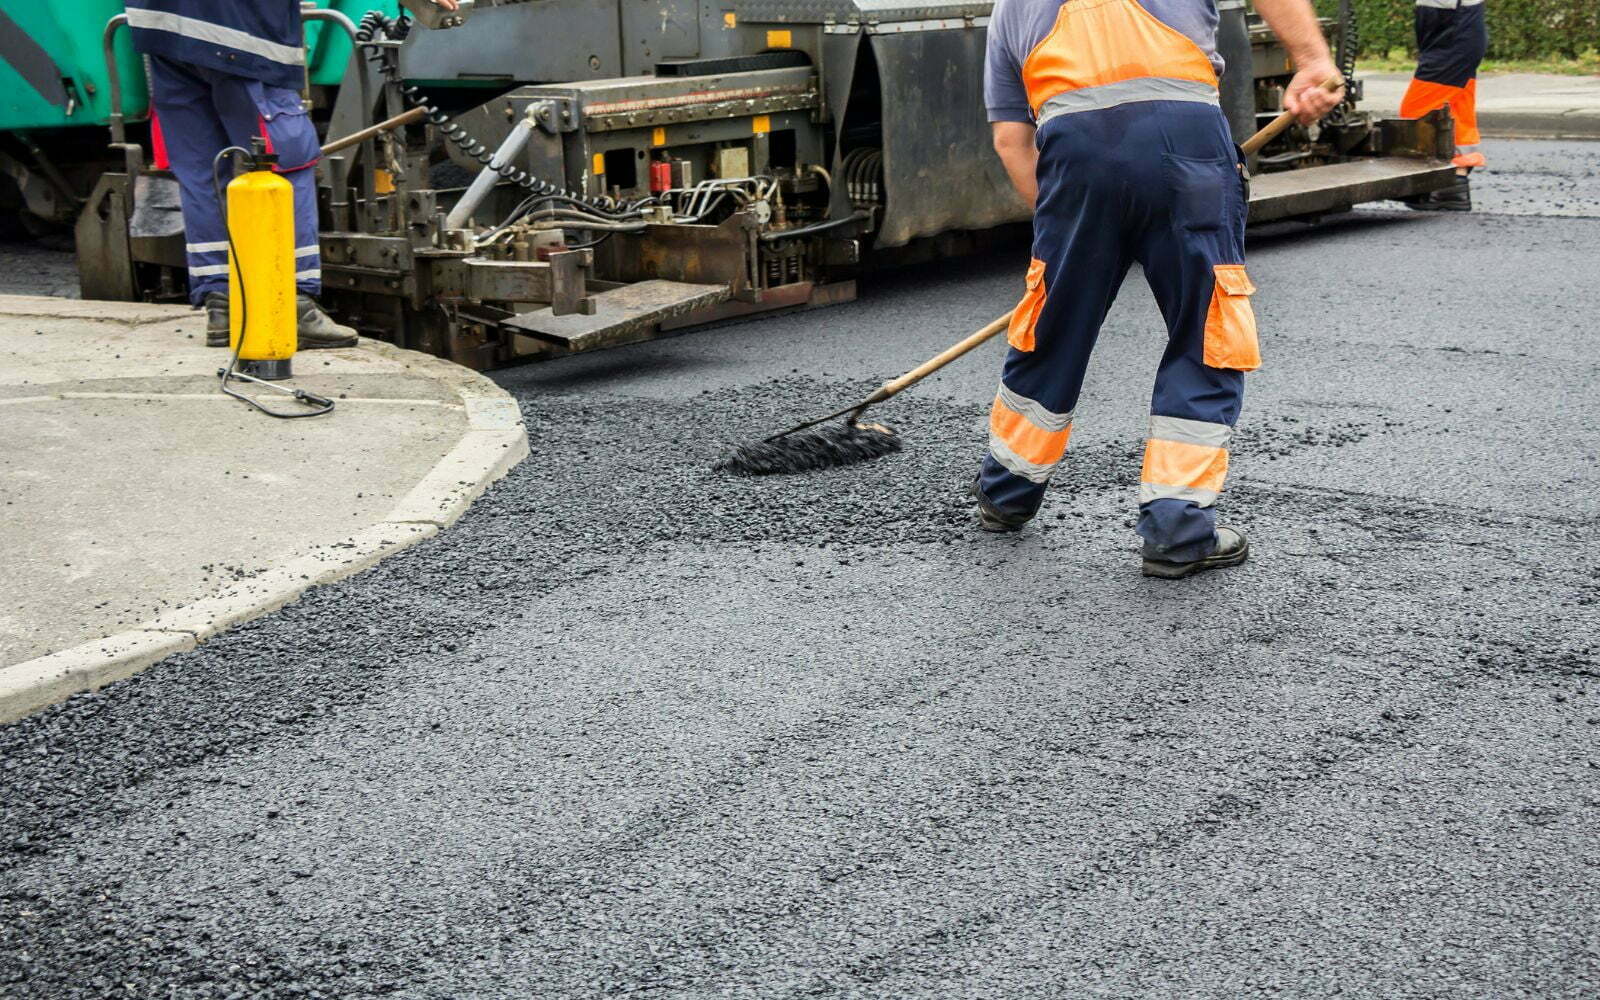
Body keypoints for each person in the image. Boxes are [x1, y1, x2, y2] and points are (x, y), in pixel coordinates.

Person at [972, 0, 1342, 579]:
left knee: (1054, 327)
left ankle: (1007, 493)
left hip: (1074, 159)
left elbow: (1012, 142)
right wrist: (1312, 59)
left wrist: (1065, 234)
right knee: (1206, 329)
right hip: (1186, 144)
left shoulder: (1010, 7)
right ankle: (1177, 527)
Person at [123, 0, 454, 347]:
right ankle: (291, 307)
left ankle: (221, 305)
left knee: (204, 172)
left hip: (163, 28)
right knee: (286, 161)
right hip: (241, 33)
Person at [1400, 0, 1487, 212]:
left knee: (1418, 112)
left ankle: (1437, 185)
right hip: (1451, 23)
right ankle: (1451, 187)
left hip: (1452, 26)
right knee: (1455, 109)